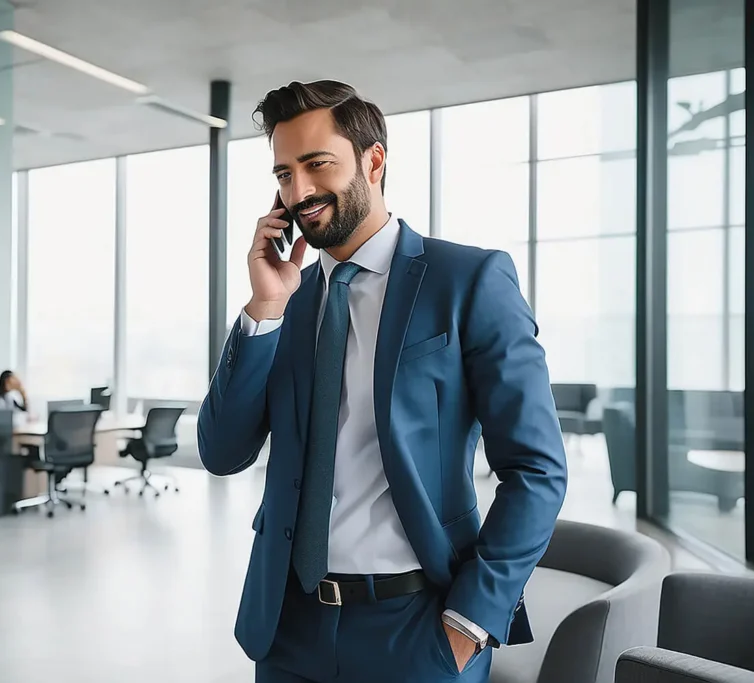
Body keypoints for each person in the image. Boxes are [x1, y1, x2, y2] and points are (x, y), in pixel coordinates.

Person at [198, 80, 567, 683]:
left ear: (374, 161)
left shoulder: (468, 280)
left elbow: (537, 469)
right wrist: (263, 307)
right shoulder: (287, 298)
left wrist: (470, 622)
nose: (300, 191)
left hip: (418, 627)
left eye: (317, 165)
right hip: (289, 628)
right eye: (284, 174)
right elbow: (221, 451)